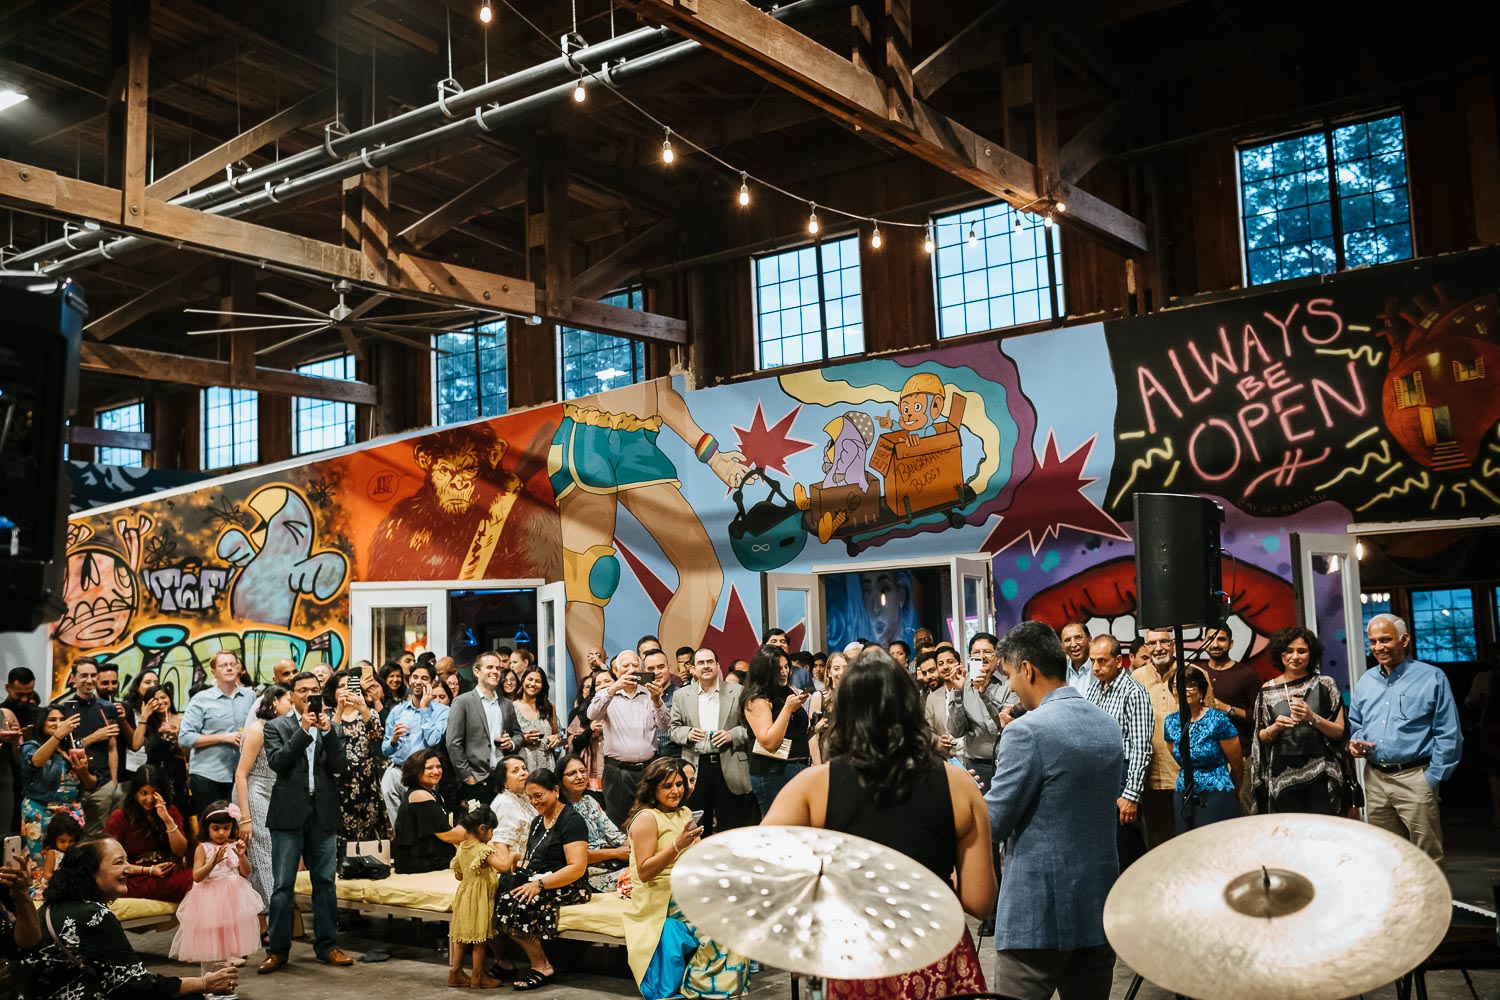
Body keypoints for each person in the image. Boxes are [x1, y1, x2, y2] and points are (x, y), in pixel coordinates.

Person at [763, 649, 996, 997]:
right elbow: (980, 901)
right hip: (934, 952)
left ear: (844, 712)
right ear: (911, 709)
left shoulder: (812, 787)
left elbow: (760, 872)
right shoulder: (958, 784)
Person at [984, 622, 1124, 1000]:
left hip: (1037, 916)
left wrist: (964, 794)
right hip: (1098, 909)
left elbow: (993, 822)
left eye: (1010, 675)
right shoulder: (1108, 726)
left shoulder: (1026, 731)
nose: (1010, 686)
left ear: (1027, 669)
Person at [22, 838, 238, 999]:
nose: (128, 869)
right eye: (118, 863)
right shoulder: (94, 915)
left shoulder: (51, 908)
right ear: (90, 872)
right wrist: (203, 983)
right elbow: (138, 984)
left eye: (127, 861)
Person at [622, 758, 751, 1000]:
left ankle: (723, 987)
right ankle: (702, 989)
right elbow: (645, 872)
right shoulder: (647, 818)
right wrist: (676, 845)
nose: (676, 791)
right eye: (667, 786)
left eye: (679, 784)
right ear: (653, 789)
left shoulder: (685, 812)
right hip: (661, 893)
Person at [1349, 613, 1463, 867]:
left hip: (1415, 777)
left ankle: (1432, 907)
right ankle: (1398, 907)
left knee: (1427, 856)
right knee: (1384, 853)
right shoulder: (1367, 681)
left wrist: (1432, 778)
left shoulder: (1432, 677)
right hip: (1375, 779)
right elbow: (1356, 724)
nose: (1378, 647)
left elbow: (1449, 733)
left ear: (1404, 640)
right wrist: (1356, 741)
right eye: (1373, 641)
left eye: (1386, 639)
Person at [259, 671, 353, 974]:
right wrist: (303, 730)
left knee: (325, 883)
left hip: (322, 811)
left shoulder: (331, 727)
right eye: (303, 690)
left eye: (314, 689)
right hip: (288, 812)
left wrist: (327, 732)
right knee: (283, 886)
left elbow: (341, 766)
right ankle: (277, 951)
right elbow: (278, 763)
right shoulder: (276, 726)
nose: (309, 695)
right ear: (292, 695)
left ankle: (327, 946)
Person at [491, 768, 590, 991]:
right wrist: (519, 862)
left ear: (555, 791)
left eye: (539, 795)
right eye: (531, 797)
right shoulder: (537, 821)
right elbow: (535, 858)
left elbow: (577, 867)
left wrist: (540, 884)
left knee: (513, 901)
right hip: (539, 878)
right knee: (491, 892)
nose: (535, 801)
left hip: (568, 884)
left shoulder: (572, 821)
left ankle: (542, 966)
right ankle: (503, 961)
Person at [1250, 626, 1350, 817]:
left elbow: (1339, 731)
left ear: (1311, 655)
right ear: (1280, 655)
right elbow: (1260, 738)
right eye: (1289, 651)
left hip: (1321, 773)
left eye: (1302, 651)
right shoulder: (1267, 690)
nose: (1295, 656)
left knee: (1322, 833)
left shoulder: (1326, 684)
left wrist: (1313, 717)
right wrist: (1276, 727)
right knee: (1289, 834)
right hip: (1282, 777)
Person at [1131, 628, 1215, 849]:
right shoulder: (1137, 677)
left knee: (1193, 841)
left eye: (1164, 642)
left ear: (1173, 644)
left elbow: (1209, 724)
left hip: (1187, 775)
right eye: (1152, 643)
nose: (1158, 648)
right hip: (1150, 776)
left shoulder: (1194, 674)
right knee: (1159, 845)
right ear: (1146, 648)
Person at [669, 646, 757, 836]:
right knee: (699, 829)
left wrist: (731, 735)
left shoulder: (738, 691)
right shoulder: (681, 695)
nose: (706, 666)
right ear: (692, 669)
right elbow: (673, 729)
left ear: (718, 666)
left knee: (733, 829)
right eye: (701, 663)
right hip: (696, 767)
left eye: (710, 662)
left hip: (730, 764)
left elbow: (751, 728)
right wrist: (688, 733)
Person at [1083, 635, 1153, 869]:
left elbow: (1141, 747)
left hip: (1121, 775)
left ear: (1118, 661)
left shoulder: (1134, 692)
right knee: (1103, 851)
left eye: (1102, 661)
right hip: (1097, 776)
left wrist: (1131, 795)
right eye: (1092, 661)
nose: (1095, 667)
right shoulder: (1094, 689)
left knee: (1125, 851)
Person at [169, 800, 262, 974]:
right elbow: (197, 876)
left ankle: (225, 983)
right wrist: (212, 863)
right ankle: (208, 980)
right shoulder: (203, 848)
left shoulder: (234, 846)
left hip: (233, 898)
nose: (221, 833)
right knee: (210, 942)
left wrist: (242, 857)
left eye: (226, 828)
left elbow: (246, 872)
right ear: (207, 828)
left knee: (228, 943)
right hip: (210, 899)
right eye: (216, 828)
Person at [234, 683, 291, 938]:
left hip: (276, 792)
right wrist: (245, 818)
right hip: (254, 790)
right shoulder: (258, 729)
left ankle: (268, 919)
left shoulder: (287, 728)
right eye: (289, 699)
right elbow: (241, 774)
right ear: (275, 701)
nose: (293, 704)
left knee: (272, 854)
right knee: (262, 853)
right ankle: (272, 919)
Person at [589, 650, 671, 827]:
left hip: (648, 769)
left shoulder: (650, 694)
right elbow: (592, 714)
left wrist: (657, 701)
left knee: (650, 819)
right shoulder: (607, 695)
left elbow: (666, 726)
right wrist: (613, 688)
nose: (631, 670)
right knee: (617, 821)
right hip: (617, 771)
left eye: (635, 665)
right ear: (616, 671)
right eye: (626, 666)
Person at [1163, 665, 1242, 832]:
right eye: (1176, 685)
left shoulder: (1218, 720)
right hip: (1183, 792)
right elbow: (1177, 756)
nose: (1182, 690)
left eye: (1190, 684)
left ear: (1201, 690)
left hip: (1217, 792)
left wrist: (1232, 792)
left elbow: (1237, 765)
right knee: (1186, 845)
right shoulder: (1170, 722)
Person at [178, 651, 258, 816]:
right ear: (214, 671)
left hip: (241, 776)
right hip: (208, 774)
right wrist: (224, 737)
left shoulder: (250, 696)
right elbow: (185, 737)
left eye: (232, 664)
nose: (229, 668)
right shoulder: (201, 699)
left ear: (239, 668)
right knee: (213, 825)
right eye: (223, 665)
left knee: (238, 826)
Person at [20, 707, 94, 876]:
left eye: (62, 719)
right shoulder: (31, 745)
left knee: (72, 859)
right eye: (52, 719)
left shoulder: (74, 747)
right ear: (42, 723)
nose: (58, 723)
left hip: (71, 812)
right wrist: (58, 735)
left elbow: (91, 784)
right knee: (40, 861)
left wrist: (83, 771)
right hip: (40, 810)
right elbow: (35, 762)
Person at [742, 644, 812, 816]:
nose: (784, 672)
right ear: (764, 671)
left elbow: (795, 732)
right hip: (773, 773)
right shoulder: (756, 700)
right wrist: (788, 709)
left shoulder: (786, 690)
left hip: (799, 767)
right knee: (779, 831)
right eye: (777, 669)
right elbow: (769, 742)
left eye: (786, 666)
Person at [325, 669, 390, 853]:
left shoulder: (368, 713)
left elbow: (378, 735)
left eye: (350, 686)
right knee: (341, 832)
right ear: (333, 691)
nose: (346, 690)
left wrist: (362, 707)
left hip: (366, 783)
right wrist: (339, 710)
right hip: (338, 783)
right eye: (341, 686)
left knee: (368, 830)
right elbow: (328, 741)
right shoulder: (328, 715)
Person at [104, 767, 192, 902]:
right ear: (135, 794)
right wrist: (149, 870)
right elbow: (111, 861)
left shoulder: (170, 811)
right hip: (133, 877)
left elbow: (180, 851)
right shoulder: (120, 816)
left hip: (165, 875)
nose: (150, 799)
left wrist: (167, 819)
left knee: (198, 878)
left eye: (155, 793)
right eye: (143, 793)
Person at [446, 651, 524, 802]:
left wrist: (512, 743)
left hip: (503, 780)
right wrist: (468, 777)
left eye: (498, 668)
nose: (495, 672)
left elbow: (518, 734)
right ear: (477, 672)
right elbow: (453, 743)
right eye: (490, 667)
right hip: (476, 780)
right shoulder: (463, 702)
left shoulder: (507, 704)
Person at [380, 662, 449, 828]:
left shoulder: (442, 711)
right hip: (396, 771)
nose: (418, 682)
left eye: (424, 678)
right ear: (409, 679)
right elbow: (385, 750)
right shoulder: (398, 711)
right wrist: (394, 739)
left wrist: (425, 708)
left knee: (422, 825)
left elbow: (433, 741)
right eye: (415, 677)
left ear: (432, 682)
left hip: (422, 775)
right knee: (398, 826)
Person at [946, 631, 1017, 792]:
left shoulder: (1010, 684)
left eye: (988, 652)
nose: (982, 656)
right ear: (970, 657)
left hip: (1007, 764)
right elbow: (956, 732)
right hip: (975, 766)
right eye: (976, 653)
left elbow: (1008, 723)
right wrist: (957, 693)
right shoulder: (961, 685)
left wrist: (985, 694)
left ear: (998, 656)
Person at [58, 660, 122, 836]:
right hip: (72, 784)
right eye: (84, 675)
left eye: (93, 675)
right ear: (73, 678)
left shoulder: (107, 708)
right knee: (69, 836)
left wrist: (113, 782)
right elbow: (62, 747)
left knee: (98, 836)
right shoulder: (64, 709)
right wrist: (94, 737)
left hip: (103, 783)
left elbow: (112, 747)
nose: (89, 680)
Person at [448, 803, 507, 989]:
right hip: (480, 900)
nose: (492, 836)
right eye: (491, 831)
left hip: (464, 897)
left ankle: (455, 973)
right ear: (482, 829)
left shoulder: (462, 848)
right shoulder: (483, 850)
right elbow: (502, 867)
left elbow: (459, 875)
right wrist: (513, 857)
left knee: (461, 938)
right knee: (479, 940)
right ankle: (478, 976)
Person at [558, 754, 630, 891]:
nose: (580, 776)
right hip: (584, 874)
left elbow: (615, 836)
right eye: (572, 773)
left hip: (608, 866)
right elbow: (574, 857)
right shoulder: (561, 811)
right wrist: (615, 853)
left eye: (582, 771)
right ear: (561, 780)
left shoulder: (589, 801)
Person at [392, 749, 465, 874]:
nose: (436, 771)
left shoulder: (433, 794)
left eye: (438, 766)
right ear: (415, 771)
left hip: (430, 856)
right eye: (429, 768)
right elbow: (449, 835)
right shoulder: (420, 795)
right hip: (416, 861)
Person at [130, 684, 187, 808]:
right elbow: (135, 745)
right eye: (155, 699)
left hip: (178, 774)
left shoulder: (183, 720)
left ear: (170, 698)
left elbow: (187, 754)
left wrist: (177, 738)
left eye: (163, 697)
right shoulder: (148, 724)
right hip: (155, 775)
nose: (160, 702)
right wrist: (144, 716)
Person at [488, 754, 537, 873]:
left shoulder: (524, 798)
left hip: (529, 863)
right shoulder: (504, 803)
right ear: (504, 781)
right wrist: (509, 876)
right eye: (515, 771)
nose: (523, 773)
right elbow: (500, 844)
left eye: (524, 768)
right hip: (515, 868)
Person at [514, 666, 562, 776]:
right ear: (523, 680)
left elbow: (555, 733)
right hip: (522, 763)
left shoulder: (549, 707)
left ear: (542, 685)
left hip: (546, 763)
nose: (533, 684)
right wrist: (524, 738)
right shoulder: (512, 706)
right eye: (530, 679)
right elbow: (509, 737)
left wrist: (556, 738)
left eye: (538, 681)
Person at [563, 671, 604, 789]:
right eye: (589, 687)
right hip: (587, 768)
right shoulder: (579, 713)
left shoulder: (618, 707)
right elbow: (574, 744)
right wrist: (590, 729)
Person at [807, 650, 848, 764]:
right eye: (836, 668)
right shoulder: (819, 697)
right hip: (827, 761)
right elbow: (812, 735)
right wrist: (817, 766)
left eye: (845, 668)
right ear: (829, 672)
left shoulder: (856, 696)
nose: (841, 672)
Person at [40, 814, 83, 889]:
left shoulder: (75, 852)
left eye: (71, 841)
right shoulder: (53, 853)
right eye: (62, 841)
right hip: (54, 886)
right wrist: (62, 879)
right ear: (54, 838)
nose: (67, 844)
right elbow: (47, 874)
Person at [1060, 622, 1093, 692]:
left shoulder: (1101, 668)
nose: (1073, 644)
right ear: (1062, 646)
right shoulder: (1059, 672)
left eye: (1078, 638)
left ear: (1089, 640)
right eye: (1067, 640)